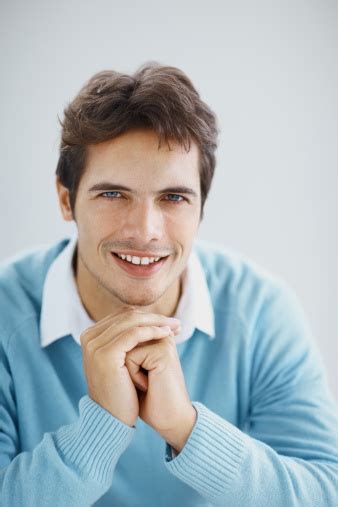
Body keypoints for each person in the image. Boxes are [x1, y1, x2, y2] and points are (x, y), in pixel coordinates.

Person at [0, 63, 337, 507]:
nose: (145, 231)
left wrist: (186, 427)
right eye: (113, 194)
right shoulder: (6, 312)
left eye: (174, 197)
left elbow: (324, 492)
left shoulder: (261, 311)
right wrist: (100, 428)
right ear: (66, 199)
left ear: (202, 208)